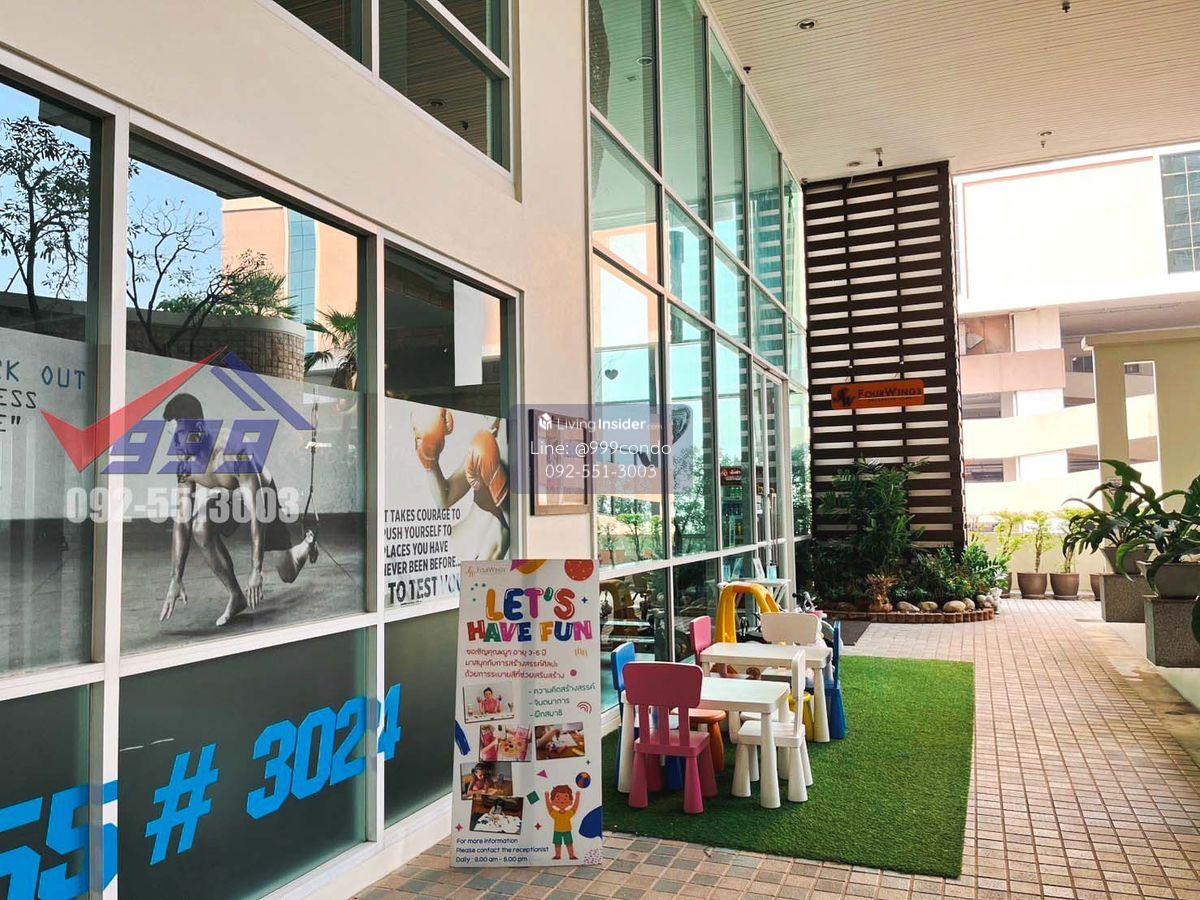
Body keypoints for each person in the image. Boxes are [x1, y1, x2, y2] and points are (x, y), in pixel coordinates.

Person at [159, 393, 317, 627]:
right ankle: (236, 596)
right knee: (199, 526)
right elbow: (182, 521)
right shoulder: (185, 464)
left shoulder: (233, 451)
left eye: (179, 436)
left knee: (288, 572)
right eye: (171, 437)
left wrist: (256, 570)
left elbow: (258, 512)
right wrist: (175, 578)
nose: (175, 445)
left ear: (199, 430)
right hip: (229, 496)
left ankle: (307, 544)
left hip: (261, 496)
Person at [412, 407, 510, 560]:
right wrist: (431, 462)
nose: (487, 417)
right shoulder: (486, 442)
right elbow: (445, 500)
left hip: (483, 553)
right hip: (457, 544)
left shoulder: (515, 446)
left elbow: (521, 520)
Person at [544, 785, 581, 861]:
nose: (562, 801)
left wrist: (577, 797)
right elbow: (549, 807)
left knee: (569, 843)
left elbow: (574, 807)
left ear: (570, 801)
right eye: (558, 798)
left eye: (565, 798)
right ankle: (558, 856)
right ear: (552, 802)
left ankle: (571, 855)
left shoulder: (568, 813)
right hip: (557, 831)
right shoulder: (555, 813)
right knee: (557, 843)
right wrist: (547, 798)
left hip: (567, 831)